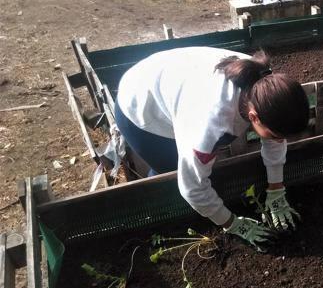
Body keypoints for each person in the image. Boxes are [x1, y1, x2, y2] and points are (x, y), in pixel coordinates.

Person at [114, 47, 310, 249]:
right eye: (275, 136)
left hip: (175, 78)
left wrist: (276, 189)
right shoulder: (210, 125)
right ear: (253, 117)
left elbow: (274, 140)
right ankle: (155, 216)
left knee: (195, 166)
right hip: (140, 104)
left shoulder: (264, 84)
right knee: (170, 170)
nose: (278, 141)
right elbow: (192, 189)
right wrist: (232, 223)